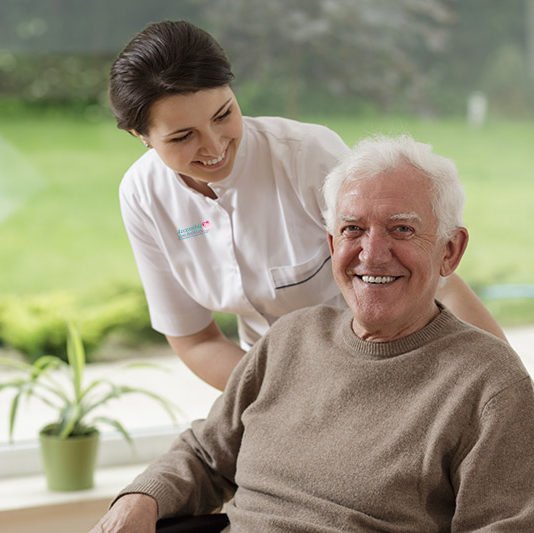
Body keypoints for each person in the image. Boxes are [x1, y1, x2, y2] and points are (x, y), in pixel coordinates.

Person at [91, 135, 534, 532]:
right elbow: (206, 455)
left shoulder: (490, 386)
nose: (372, 253)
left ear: (450, 251)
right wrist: (140, 498)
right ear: (331, 245)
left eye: (402, 229)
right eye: (352, 230)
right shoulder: (291, 338)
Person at [109, 20, 505, 390]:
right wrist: (281, 398)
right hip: (269, 380)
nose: (214, 146)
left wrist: (510, 385)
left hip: (386, 362)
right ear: (140, 135)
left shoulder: (307, 156)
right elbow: (195, 338)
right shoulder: (144, 195)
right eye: (182, 137)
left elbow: (437, 281)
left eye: (223, 114)